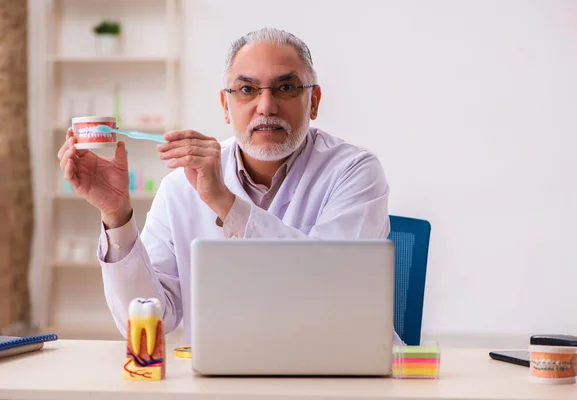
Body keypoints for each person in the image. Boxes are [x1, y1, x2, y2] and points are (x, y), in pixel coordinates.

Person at [57, 27, 391, 343]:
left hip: (339, 373)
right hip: (222, 377)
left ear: (314, 101)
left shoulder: (355, 172)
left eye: (285, 88)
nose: (266, 106)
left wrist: (225, 203)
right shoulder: (180, 187)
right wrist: (116, 215)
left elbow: (332, 290)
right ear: (225, 106)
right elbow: (150, 320)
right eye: (247, 90)